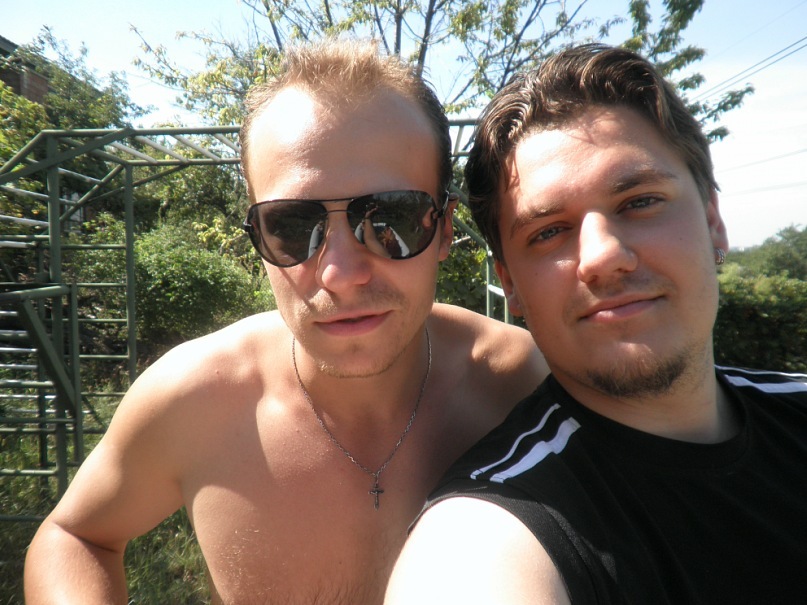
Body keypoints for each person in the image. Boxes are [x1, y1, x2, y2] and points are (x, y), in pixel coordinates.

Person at [23, 39, 549, 604]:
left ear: (444, 228)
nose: (340, 274)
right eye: (293, 227)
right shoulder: (198, 399)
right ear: (258, 240)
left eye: (392, 219)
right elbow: (73, 536)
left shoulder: (527, 391)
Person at [386, 43, 807, 604]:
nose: (603, 256)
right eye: (548, 232)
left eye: (640, 202)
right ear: (511, 285)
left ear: (713, 222)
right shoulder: (484, 537)